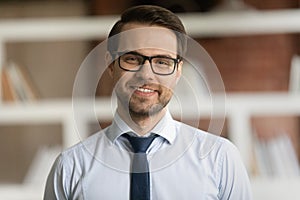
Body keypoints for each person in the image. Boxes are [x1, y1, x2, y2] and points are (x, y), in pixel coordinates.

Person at [44, 5, 252, 200]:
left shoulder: (220, 159)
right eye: (132, 59)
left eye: (162, 62)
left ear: (178, 71)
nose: (146, 75)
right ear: (110, 64)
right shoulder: (71, 166)